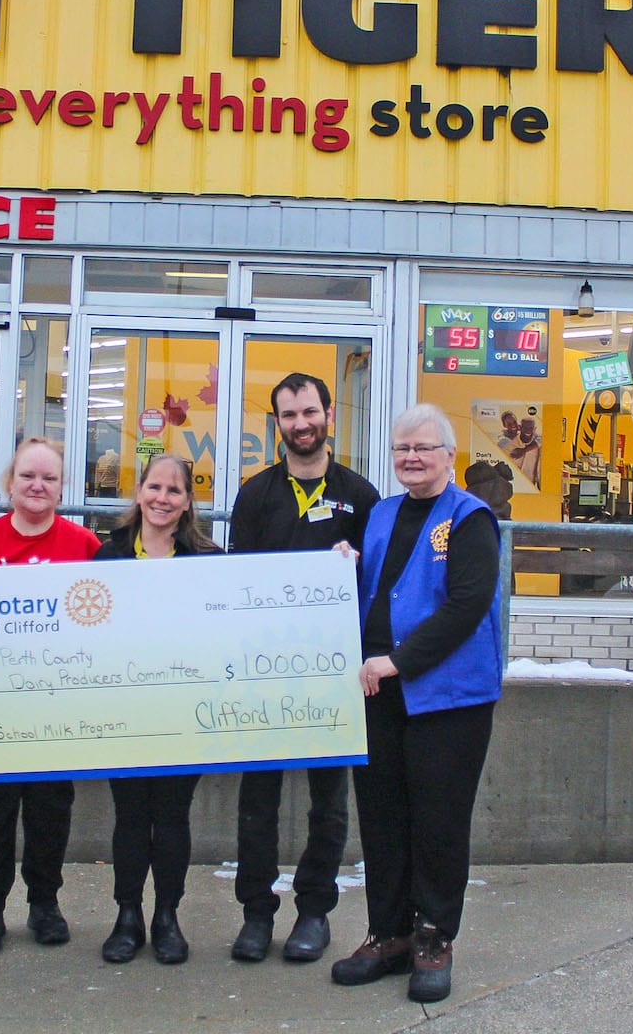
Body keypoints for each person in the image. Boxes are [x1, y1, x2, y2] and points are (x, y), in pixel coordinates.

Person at [331, 403, 503, 1006]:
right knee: (382, 819)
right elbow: (377, 590)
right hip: (379, 692)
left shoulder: (470, 518)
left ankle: (434, 937)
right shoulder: (381, 513)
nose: (411, 457)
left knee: (438, 823)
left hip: (448, 698)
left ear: (449, 456)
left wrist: (399, 661)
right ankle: (389, 934)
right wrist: (345, 568)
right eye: (402, 448)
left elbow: (466, 605)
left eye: (423, 448)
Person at [226, 372, 379, 965]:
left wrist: (355, 564)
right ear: (278, 423)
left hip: (332, 678)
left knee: (328, 802)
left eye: (309, 411)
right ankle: (256, 913)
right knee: (257, 799)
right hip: (265, 672)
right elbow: (236, 583)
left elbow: (376, 583)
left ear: (329, 414)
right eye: (289, 415)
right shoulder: (255, 494)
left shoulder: (360, 496)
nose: (301, 424)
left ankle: (315, 910)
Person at [0, 437, 102, 954]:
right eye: (28, 476)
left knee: (49, 809)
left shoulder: (85, 546)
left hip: (56, 707)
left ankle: (44, 903)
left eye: (49, 478)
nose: (38, 486)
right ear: (9, 483)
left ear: (62, 488)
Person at [93, 453, 220, 966]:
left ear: (188, 501)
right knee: (129, 816)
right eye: (154, 487)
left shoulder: (209, 561)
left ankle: (167, 914)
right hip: (124, 711)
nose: (162, 498)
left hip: (183, 713)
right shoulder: (108, 557)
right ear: (139, 492)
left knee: (171, 816)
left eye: (174, 490)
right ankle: (127, 915)